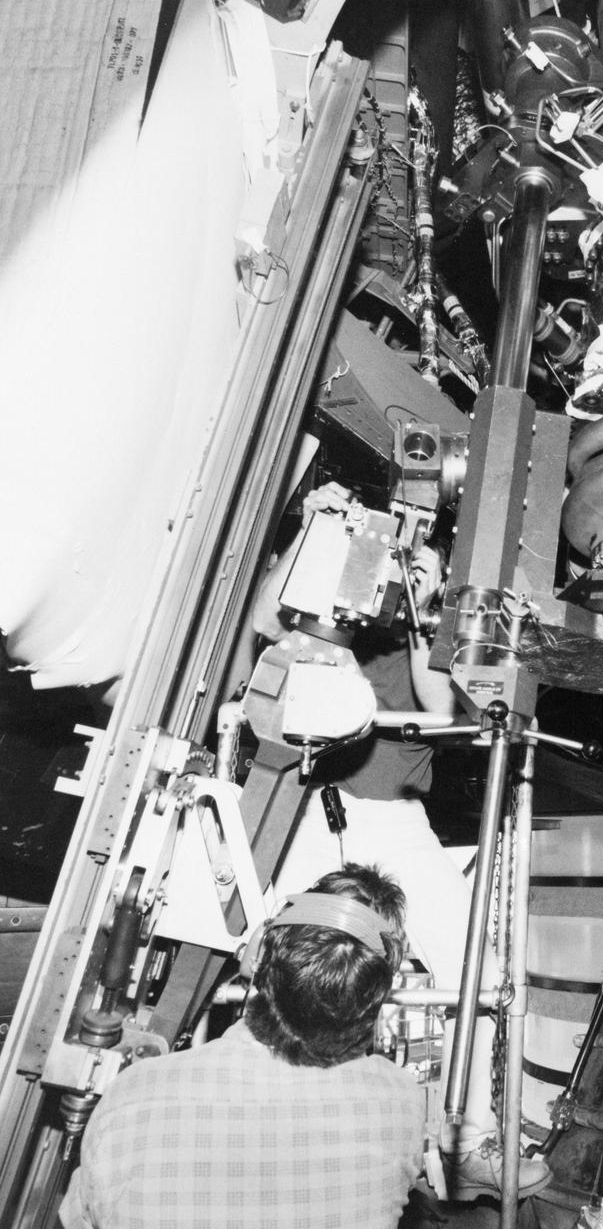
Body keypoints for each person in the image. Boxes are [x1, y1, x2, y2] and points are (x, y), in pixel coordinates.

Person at [254, 480, 551, 1201]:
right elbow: (267, 622)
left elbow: (439, 700)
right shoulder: (320, 616)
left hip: (394, 819)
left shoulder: (412, 633)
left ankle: (470, 1139)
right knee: (264, 963)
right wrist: (317, 530)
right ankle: (267, 1121)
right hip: (301, 810)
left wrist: (430, 610)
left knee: (472, 967)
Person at [59, 864, 423, 1229]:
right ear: (372, 1002)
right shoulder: (402, 1103)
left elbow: (81, 1218)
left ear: (257, 956)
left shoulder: (133, 1094)